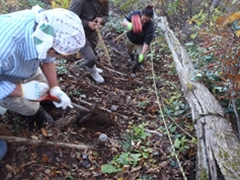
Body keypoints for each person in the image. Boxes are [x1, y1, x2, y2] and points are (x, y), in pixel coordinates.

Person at [0, 5, 86, 129]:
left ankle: (42, 100)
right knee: (30, 107)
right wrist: (20, 90)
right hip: (4, 77)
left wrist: (55, 88)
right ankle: (33, 113)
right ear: (50, 48)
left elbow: (47, 57)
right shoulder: (5, 50)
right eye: (61, 55)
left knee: (45, 85)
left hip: (23, 66)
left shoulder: (44, 27)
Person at [68, 0, 109, 83]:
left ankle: (90, 66)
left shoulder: (105, 1)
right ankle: (93, 72)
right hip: (78, 33)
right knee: (90, 57)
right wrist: (87, 23)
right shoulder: (79, 2)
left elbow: (106, 16)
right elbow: (69, 19)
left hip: (92, 33)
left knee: (92, 52)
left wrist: (101, 20)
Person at [122, 4, 155, 74]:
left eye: (147, 20)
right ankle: (131, 57)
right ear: (142, 14)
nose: (144, 21)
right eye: (143, 19)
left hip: (140, 42)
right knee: (129, 51)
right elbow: (124, 21)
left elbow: (147, 42)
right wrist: (128, 24)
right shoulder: (135, 14)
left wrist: (142, 54)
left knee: (142, 58)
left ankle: (139, 64)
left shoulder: (151, 27)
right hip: (130, 38)